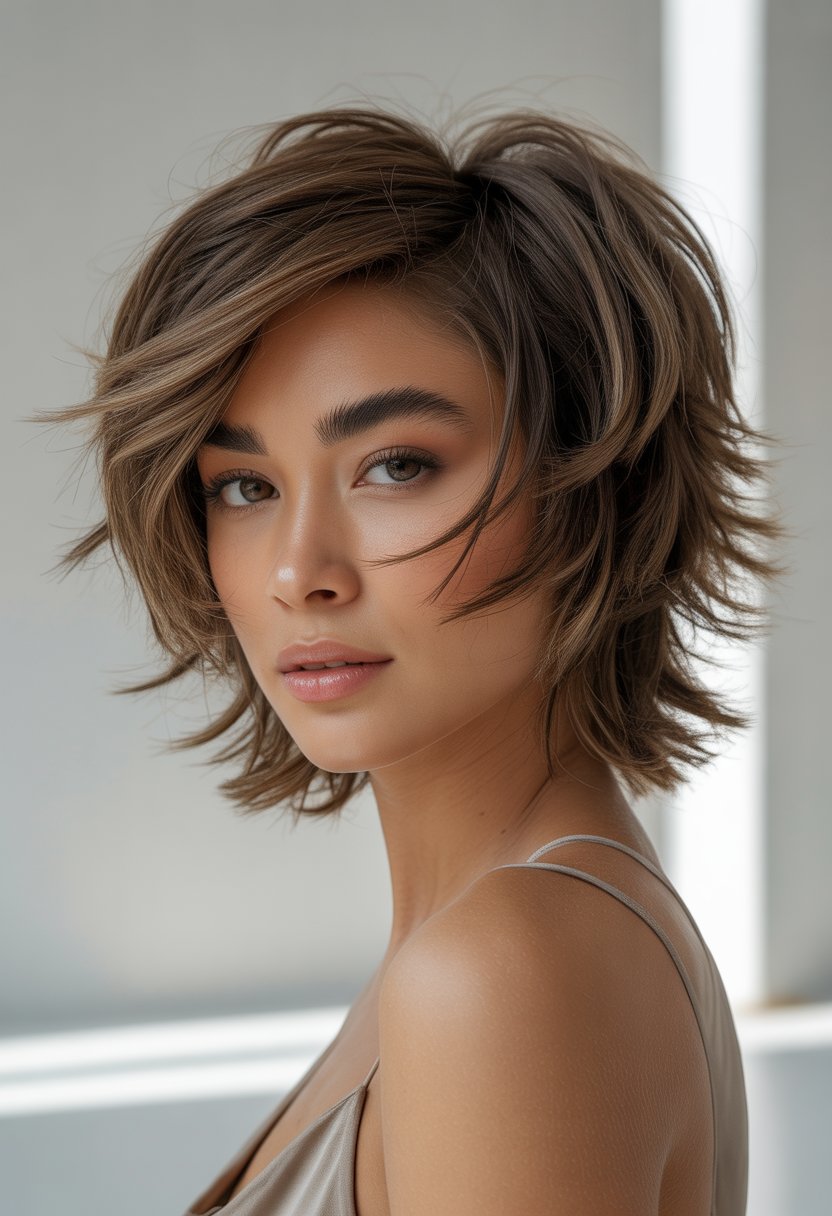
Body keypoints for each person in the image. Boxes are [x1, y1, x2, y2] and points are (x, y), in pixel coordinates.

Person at [47, 104, 781, 1215]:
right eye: (244, 486)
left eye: (395, 466)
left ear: (594, 485)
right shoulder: (510, 935)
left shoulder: (501, 970)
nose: (300, 571)